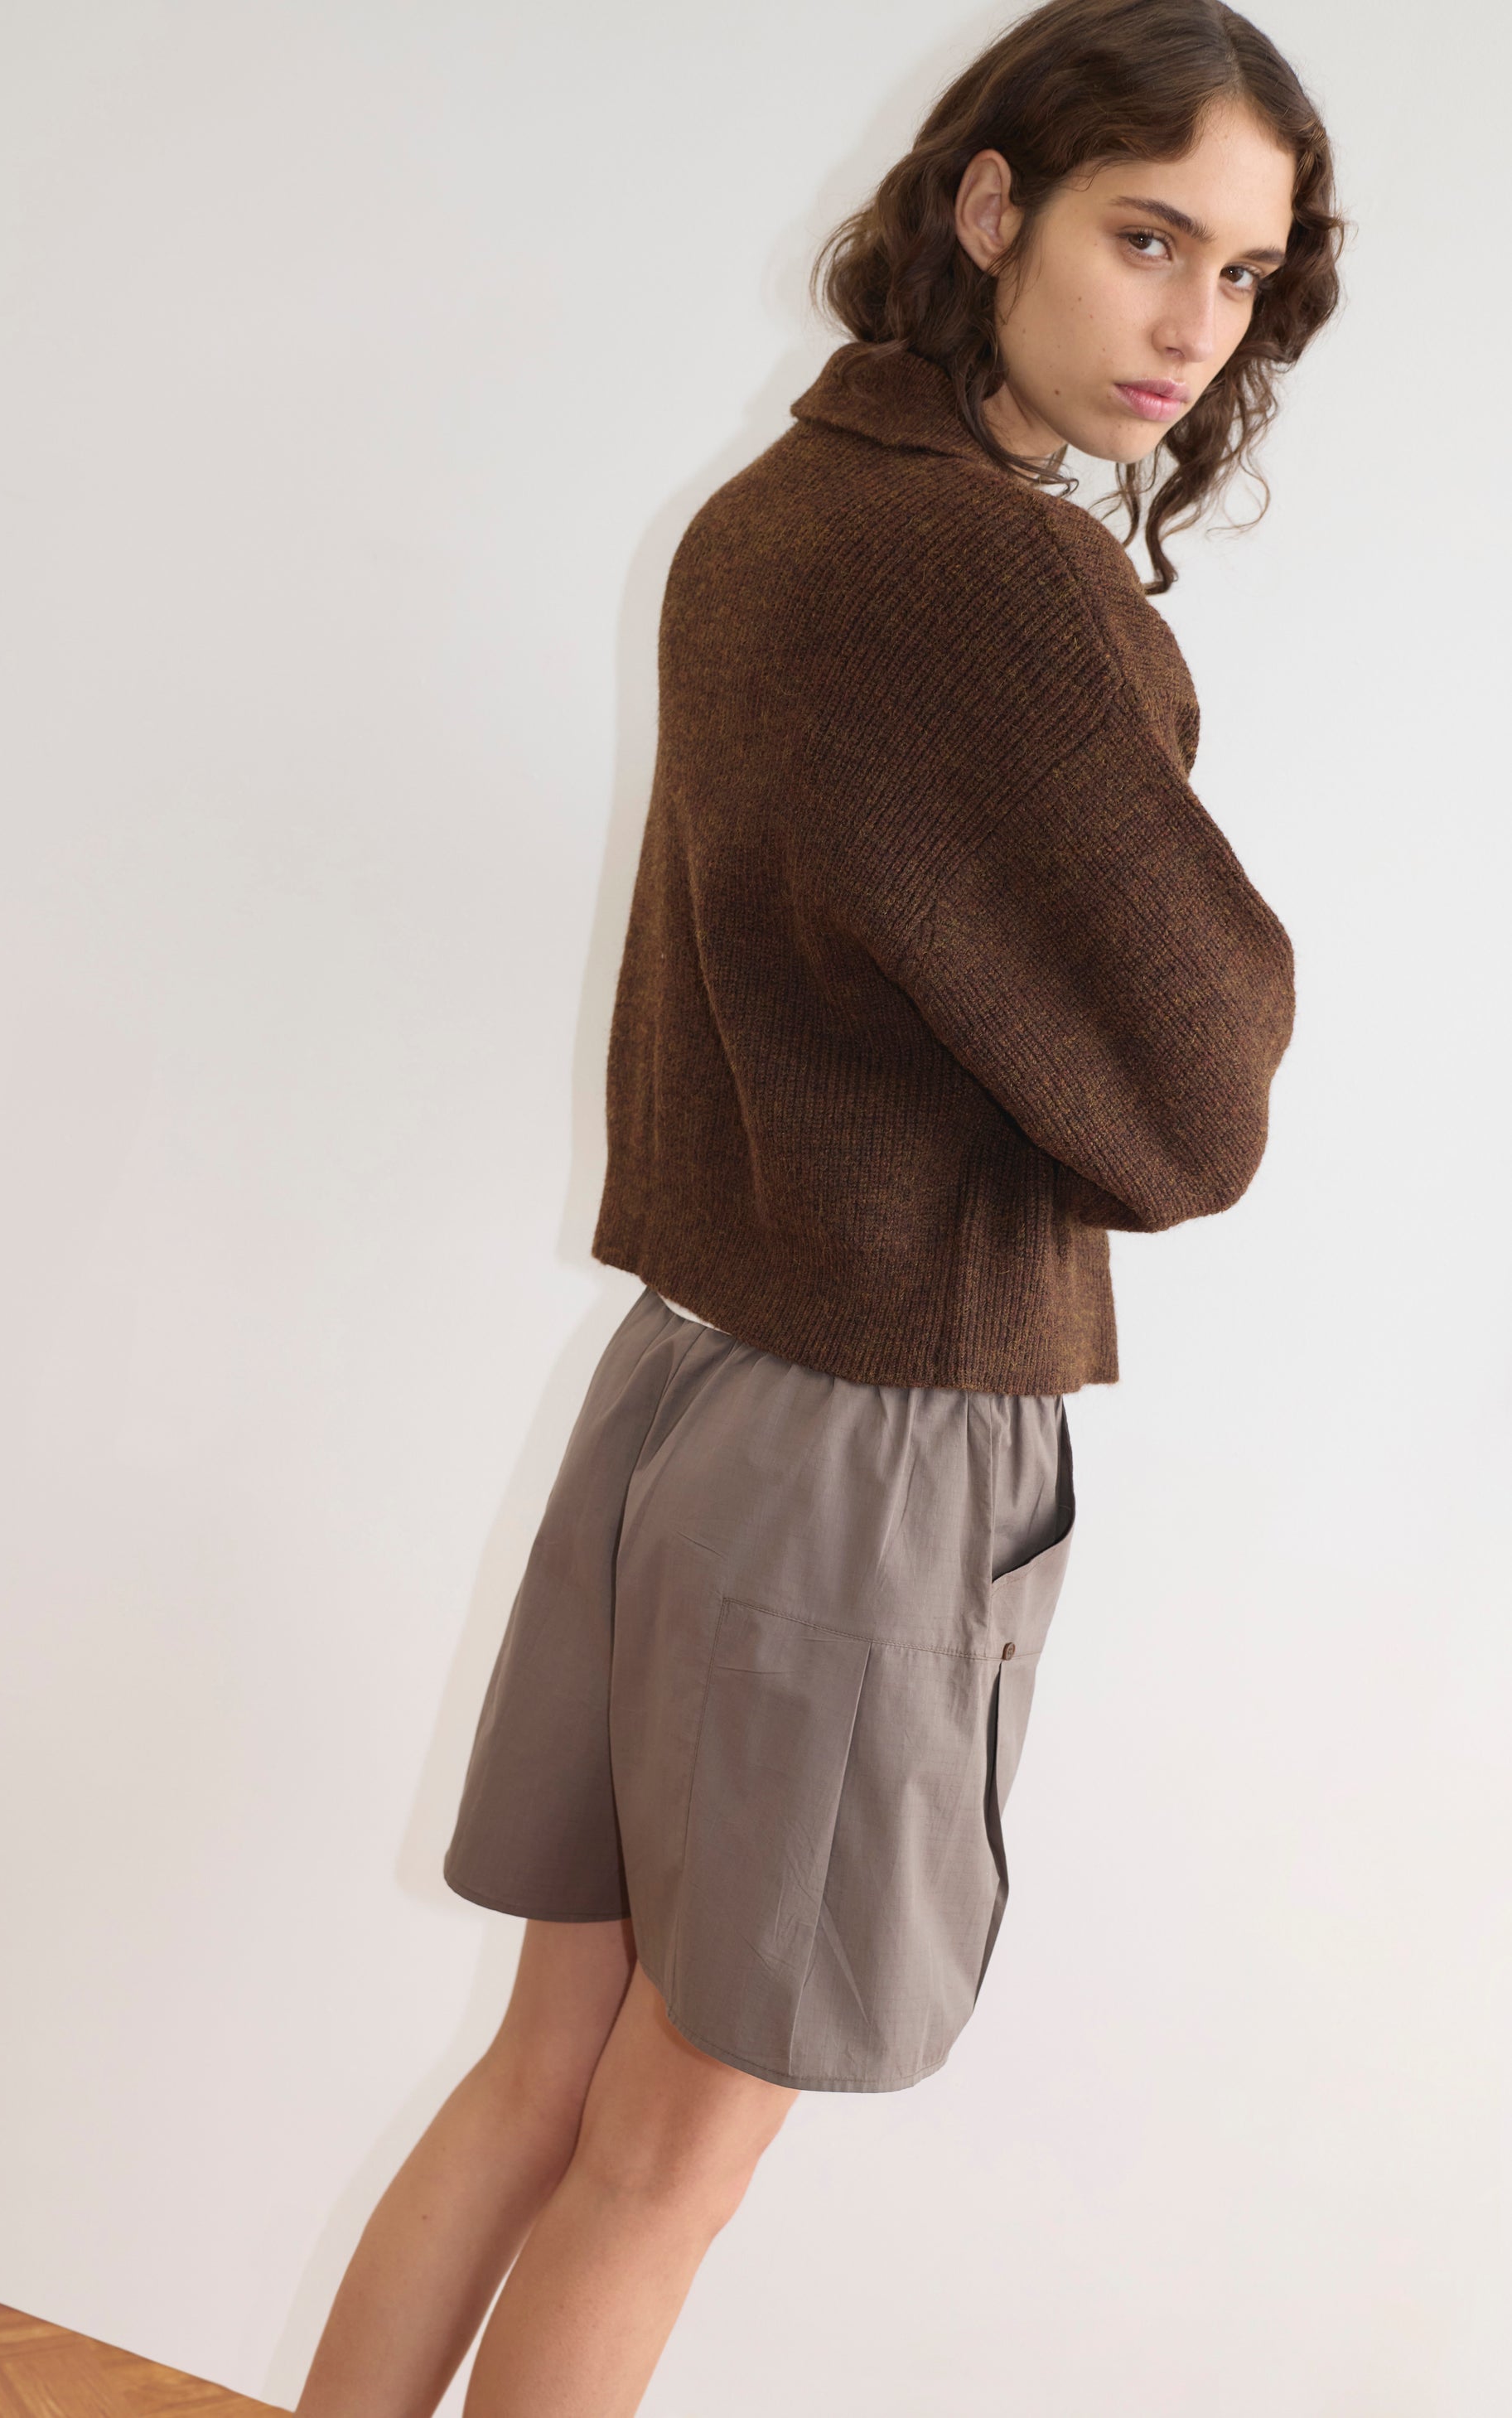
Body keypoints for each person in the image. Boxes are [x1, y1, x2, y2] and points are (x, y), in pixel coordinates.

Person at [295, 2, 1344, 2411]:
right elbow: (1197, 1110)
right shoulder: (998, 591)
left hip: (681, 1396)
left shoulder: (770, 516)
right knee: (669, 2160)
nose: (1192, 324)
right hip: (869, 1444)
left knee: (540, 2083)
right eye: (1142, 234)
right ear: (991, 210)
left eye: (1246, 274)